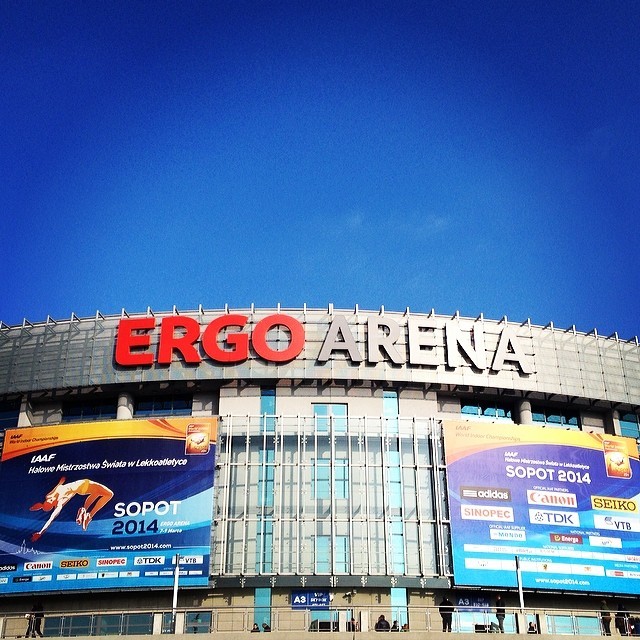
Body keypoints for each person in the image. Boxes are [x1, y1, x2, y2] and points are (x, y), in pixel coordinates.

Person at [29, 477, 114, 541]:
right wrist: (41, 532)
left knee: (97, 493)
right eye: (50, 502)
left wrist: (37, 507)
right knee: (109, 494)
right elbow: (51, 519)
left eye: (48, 501)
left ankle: (85, 512)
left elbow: (60, 483)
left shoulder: (50, 495)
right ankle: (86, 513)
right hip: (83, 485)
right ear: (53, 505)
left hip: (82, 487)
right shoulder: (59, 503)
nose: (50, 500)